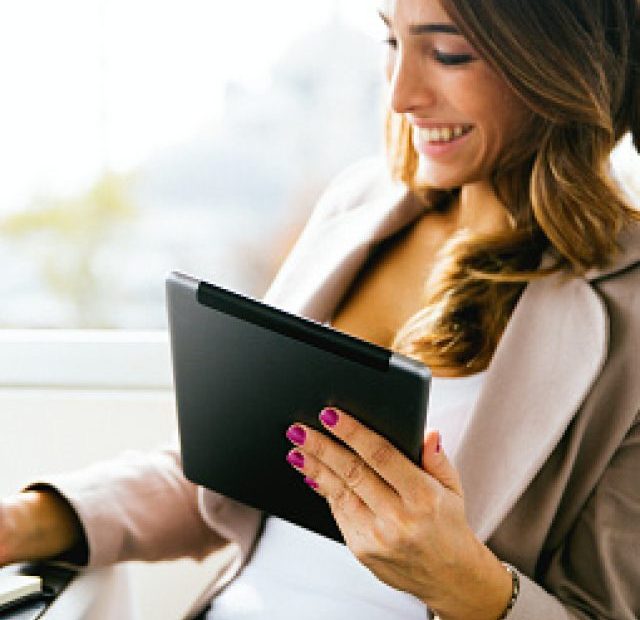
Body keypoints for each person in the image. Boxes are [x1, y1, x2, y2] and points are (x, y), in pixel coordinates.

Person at [1, 0, 639, 617]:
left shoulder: (626, 312)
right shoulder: (357, 208)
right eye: (393, 42)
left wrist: (464, 583)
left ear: (559, 64)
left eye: (449, 54)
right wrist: (24, 521)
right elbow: (230, 470)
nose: (400, 95)